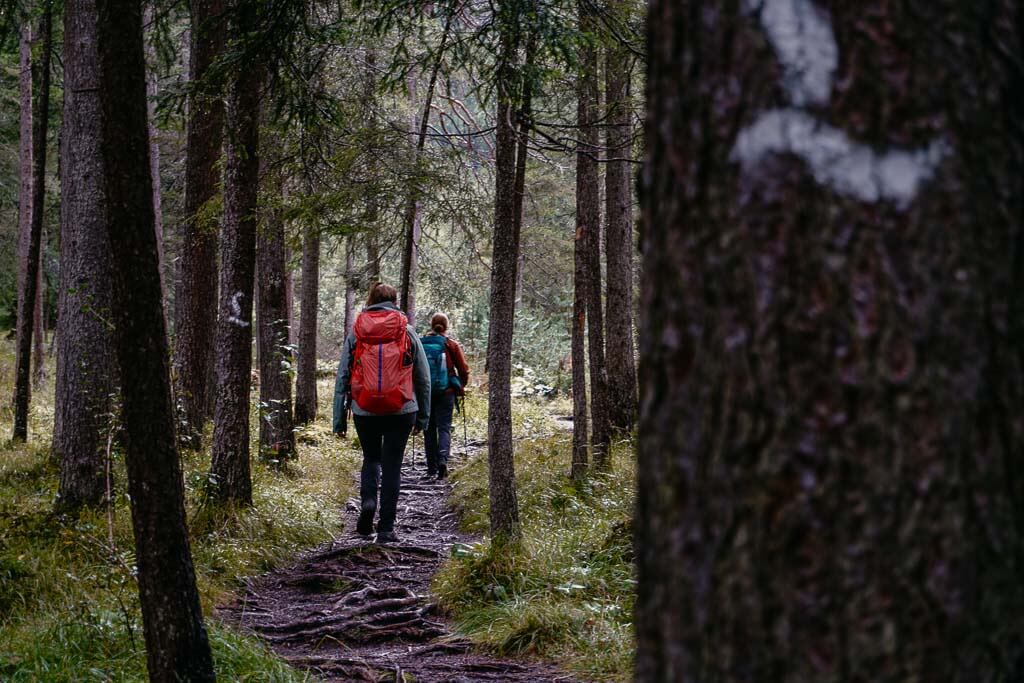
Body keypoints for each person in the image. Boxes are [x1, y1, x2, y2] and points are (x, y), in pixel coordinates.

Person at [333, 283, 431, 543]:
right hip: (402, 409)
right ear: (394, 301)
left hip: (364, 409)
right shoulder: (406, 331)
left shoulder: (357, 332)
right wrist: (424, 416)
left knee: (371, 458)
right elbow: (423, 378)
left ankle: (367, 502)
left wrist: (338, 419)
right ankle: (386, 528)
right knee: (392, 466)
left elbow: (343, 376)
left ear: (371, 299)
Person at [420, 312, 470, 480]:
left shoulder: (421, 343)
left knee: (428, 429)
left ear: (431, 325)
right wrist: (460, 386)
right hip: (446, 391)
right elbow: (463, 369)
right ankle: (443, 461)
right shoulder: (451, 345)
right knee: (444, 427)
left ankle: (431, 468)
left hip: (426, 393)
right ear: (446, 326)